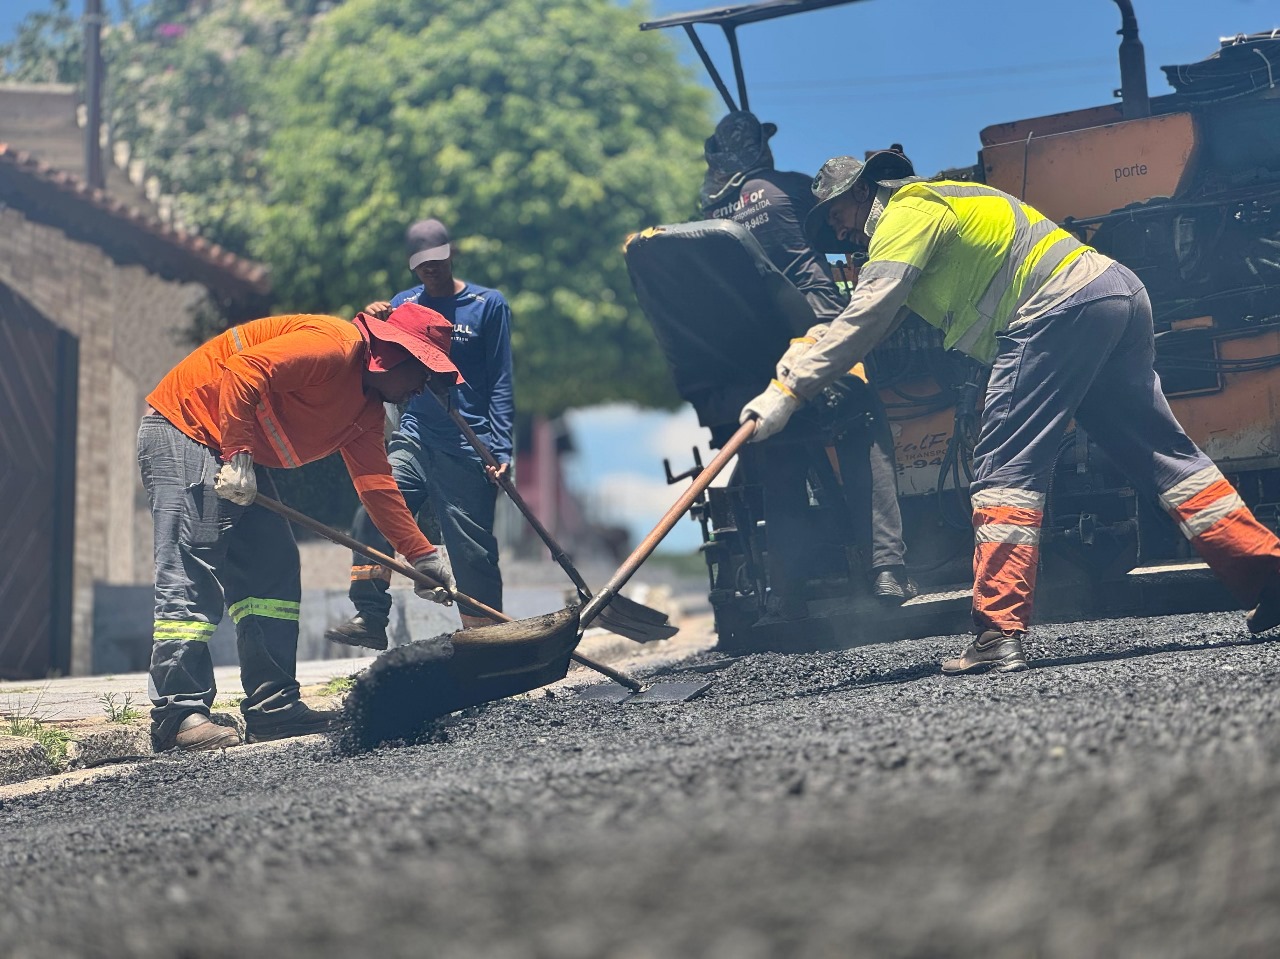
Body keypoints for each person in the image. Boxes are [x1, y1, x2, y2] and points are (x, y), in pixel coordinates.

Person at [742, 150, 1280, 673]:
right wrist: (820, 339)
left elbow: (869, 313)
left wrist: (790, 388)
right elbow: (896, 306)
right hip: (1113, 293)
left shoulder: (905, 212)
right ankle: (1267, 577)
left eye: (835, 214)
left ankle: (998, 633)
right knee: (1163, 457)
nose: (837, 232)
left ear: (861, 192)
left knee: (1005, 473)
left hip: (1052, 311)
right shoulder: (947, 202)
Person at [140, 304, 461, 751]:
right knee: (193, 567)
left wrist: (423, 555)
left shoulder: (365, 411)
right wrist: (238, 456)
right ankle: (178, 715)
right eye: (422, 370)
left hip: (233, 450)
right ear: (390, 355)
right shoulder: (334, 345)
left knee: (272, 565)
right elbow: (245, 369)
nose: (424, 385)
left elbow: (376, 487)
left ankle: (273, 707)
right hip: (187, 426)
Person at [702, 111, 915, 604]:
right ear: (759, 150)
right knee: (861, 421)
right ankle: (887, 568)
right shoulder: (786, 189)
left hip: (754, 355)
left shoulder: (709, 216)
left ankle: (790, 586)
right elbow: (842, 216)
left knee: (780, 446)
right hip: (816, 328)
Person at [326, 217, 514, 649]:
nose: (430, 269)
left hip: (469, 443)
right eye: (421, 264)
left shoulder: (488, 305)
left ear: (451, 254)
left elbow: (501, 381)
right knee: (373, 510)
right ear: (412, 266)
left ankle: (488, 639)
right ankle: (371, 615)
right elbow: (376, 352)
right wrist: (374, 318)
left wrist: (500, 450)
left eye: (437, 260)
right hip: (414, 435)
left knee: (472, 550)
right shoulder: (403, 303)